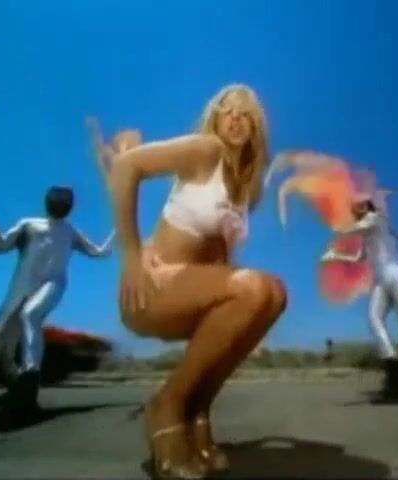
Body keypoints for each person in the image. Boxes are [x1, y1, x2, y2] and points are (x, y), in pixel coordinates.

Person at [90, 83, 287, 479]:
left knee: (274, 294)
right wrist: (132, 256)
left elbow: (219, 260)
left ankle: (198, 410)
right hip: (151, 287)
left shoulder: (246, 188)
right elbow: (126, 168)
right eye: (227, 110)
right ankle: (167, 406)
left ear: (256, 127)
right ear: (214, 118)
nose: (235, 118)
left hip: (191, 291)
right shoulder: (205, 150)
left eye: (245, 114)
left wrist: (243, 323)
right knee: (256, 288)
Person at [0, 186, 115, 413]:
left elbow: (98, 251)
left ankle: (30, 378)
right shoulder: (29, 225)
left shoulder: (70, 232)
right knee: (0, 342)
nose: (62, 204)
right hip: (21, 289)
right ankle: (17, 392)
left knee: (31, 314)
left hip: (52, 285)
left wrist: (116, 235)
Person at [321, 197, 398, 404]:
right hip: (380, 280)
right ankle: (395, 378)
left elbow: (355, 228)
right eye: (354, 206)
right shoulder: (366, 234)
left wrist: (337, 228)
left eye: (361, 204)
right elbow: (359, 258)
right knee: (374, 319)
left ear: (368, 207)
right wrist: (336, 256)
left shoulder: (376, 219)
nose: (357, 207)